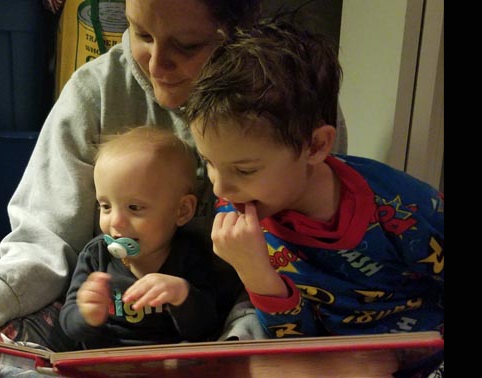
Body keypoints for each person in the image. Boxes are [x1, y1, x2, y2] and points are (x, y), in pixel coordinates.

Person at [0, 0, 349, 371]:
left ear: (240, 32)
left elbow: (307, 259)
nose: (157, 64)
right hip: (113, 333)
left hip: (249, 302)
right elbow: (43, 240)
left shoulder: (291, 104)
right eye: (141, 34)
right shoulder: (96, 92)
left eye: (186, 45)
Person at [183, 18, 444, 339]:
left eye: (245, 169)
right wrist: (256, 275)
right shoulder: (242, 223)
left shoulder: (402, 206)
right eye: (208, 162)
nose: (219, 188)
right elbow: (292, 340)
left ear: (317, 145)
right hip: (332, 359)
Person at [59, 126, 219, 349]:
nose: (114, 221)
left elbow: (208, 326)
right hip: (104, 361)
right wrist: (86, 313)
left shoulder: (189, 253)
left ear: (182, 210)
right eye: (105, 206)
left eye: (134, 207)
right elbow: (68, 325)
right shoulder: (96, 256)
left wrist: (182, 295)